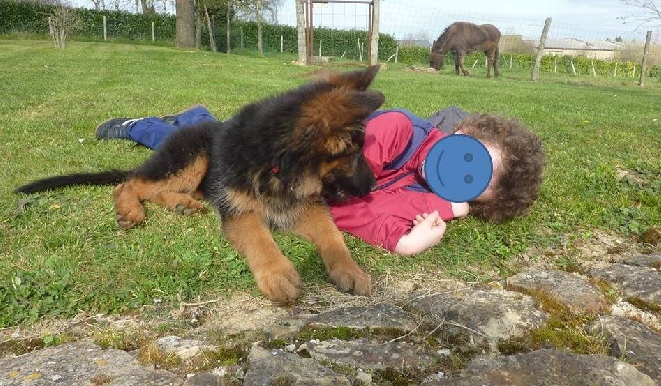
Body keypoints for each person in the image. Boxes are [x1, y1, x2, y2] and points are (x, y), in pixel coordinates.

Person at [95, 105, 544, 255]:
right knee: (196, 145)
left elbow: (368, 215)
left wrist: (405, 239)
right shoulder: (397, 131)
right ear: (461, 134)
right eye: (470, 160)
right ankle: (139, 125)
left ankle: (197, 115)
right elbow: (342, 203)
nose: (455, 177)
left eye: (469, 187)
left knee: (211, 137)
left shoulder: (424, 194)